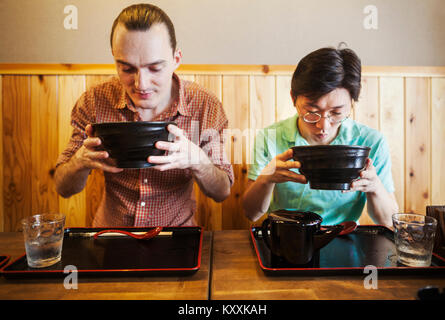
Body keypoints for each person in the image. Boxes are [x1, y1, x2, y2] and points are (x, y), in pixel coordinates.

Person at [54, 4, 234, 227]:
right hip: (112, 234)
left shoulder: (204, 105)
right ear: (115, 60)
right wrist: (80, 162)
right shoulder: (94, 101)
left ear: (176, 59)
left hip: (177, 236)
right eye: (127, 69)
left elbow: (222, 191)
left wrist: (199, 161)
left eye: (155, 68)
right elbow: (63, 188)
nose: (141, 84)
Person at [242, 47, 398, 228]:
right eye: (312, 112)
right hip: (287, 237)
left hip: (344, 237)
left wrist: (375, 186)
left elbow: (389, 222)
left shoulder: (370, 142)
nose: (323, 126)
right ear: (293, 98)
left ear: (351, 104)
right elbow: (250, 213)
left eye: (337, 113)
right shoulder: (269, 138)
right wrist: (266, 178)